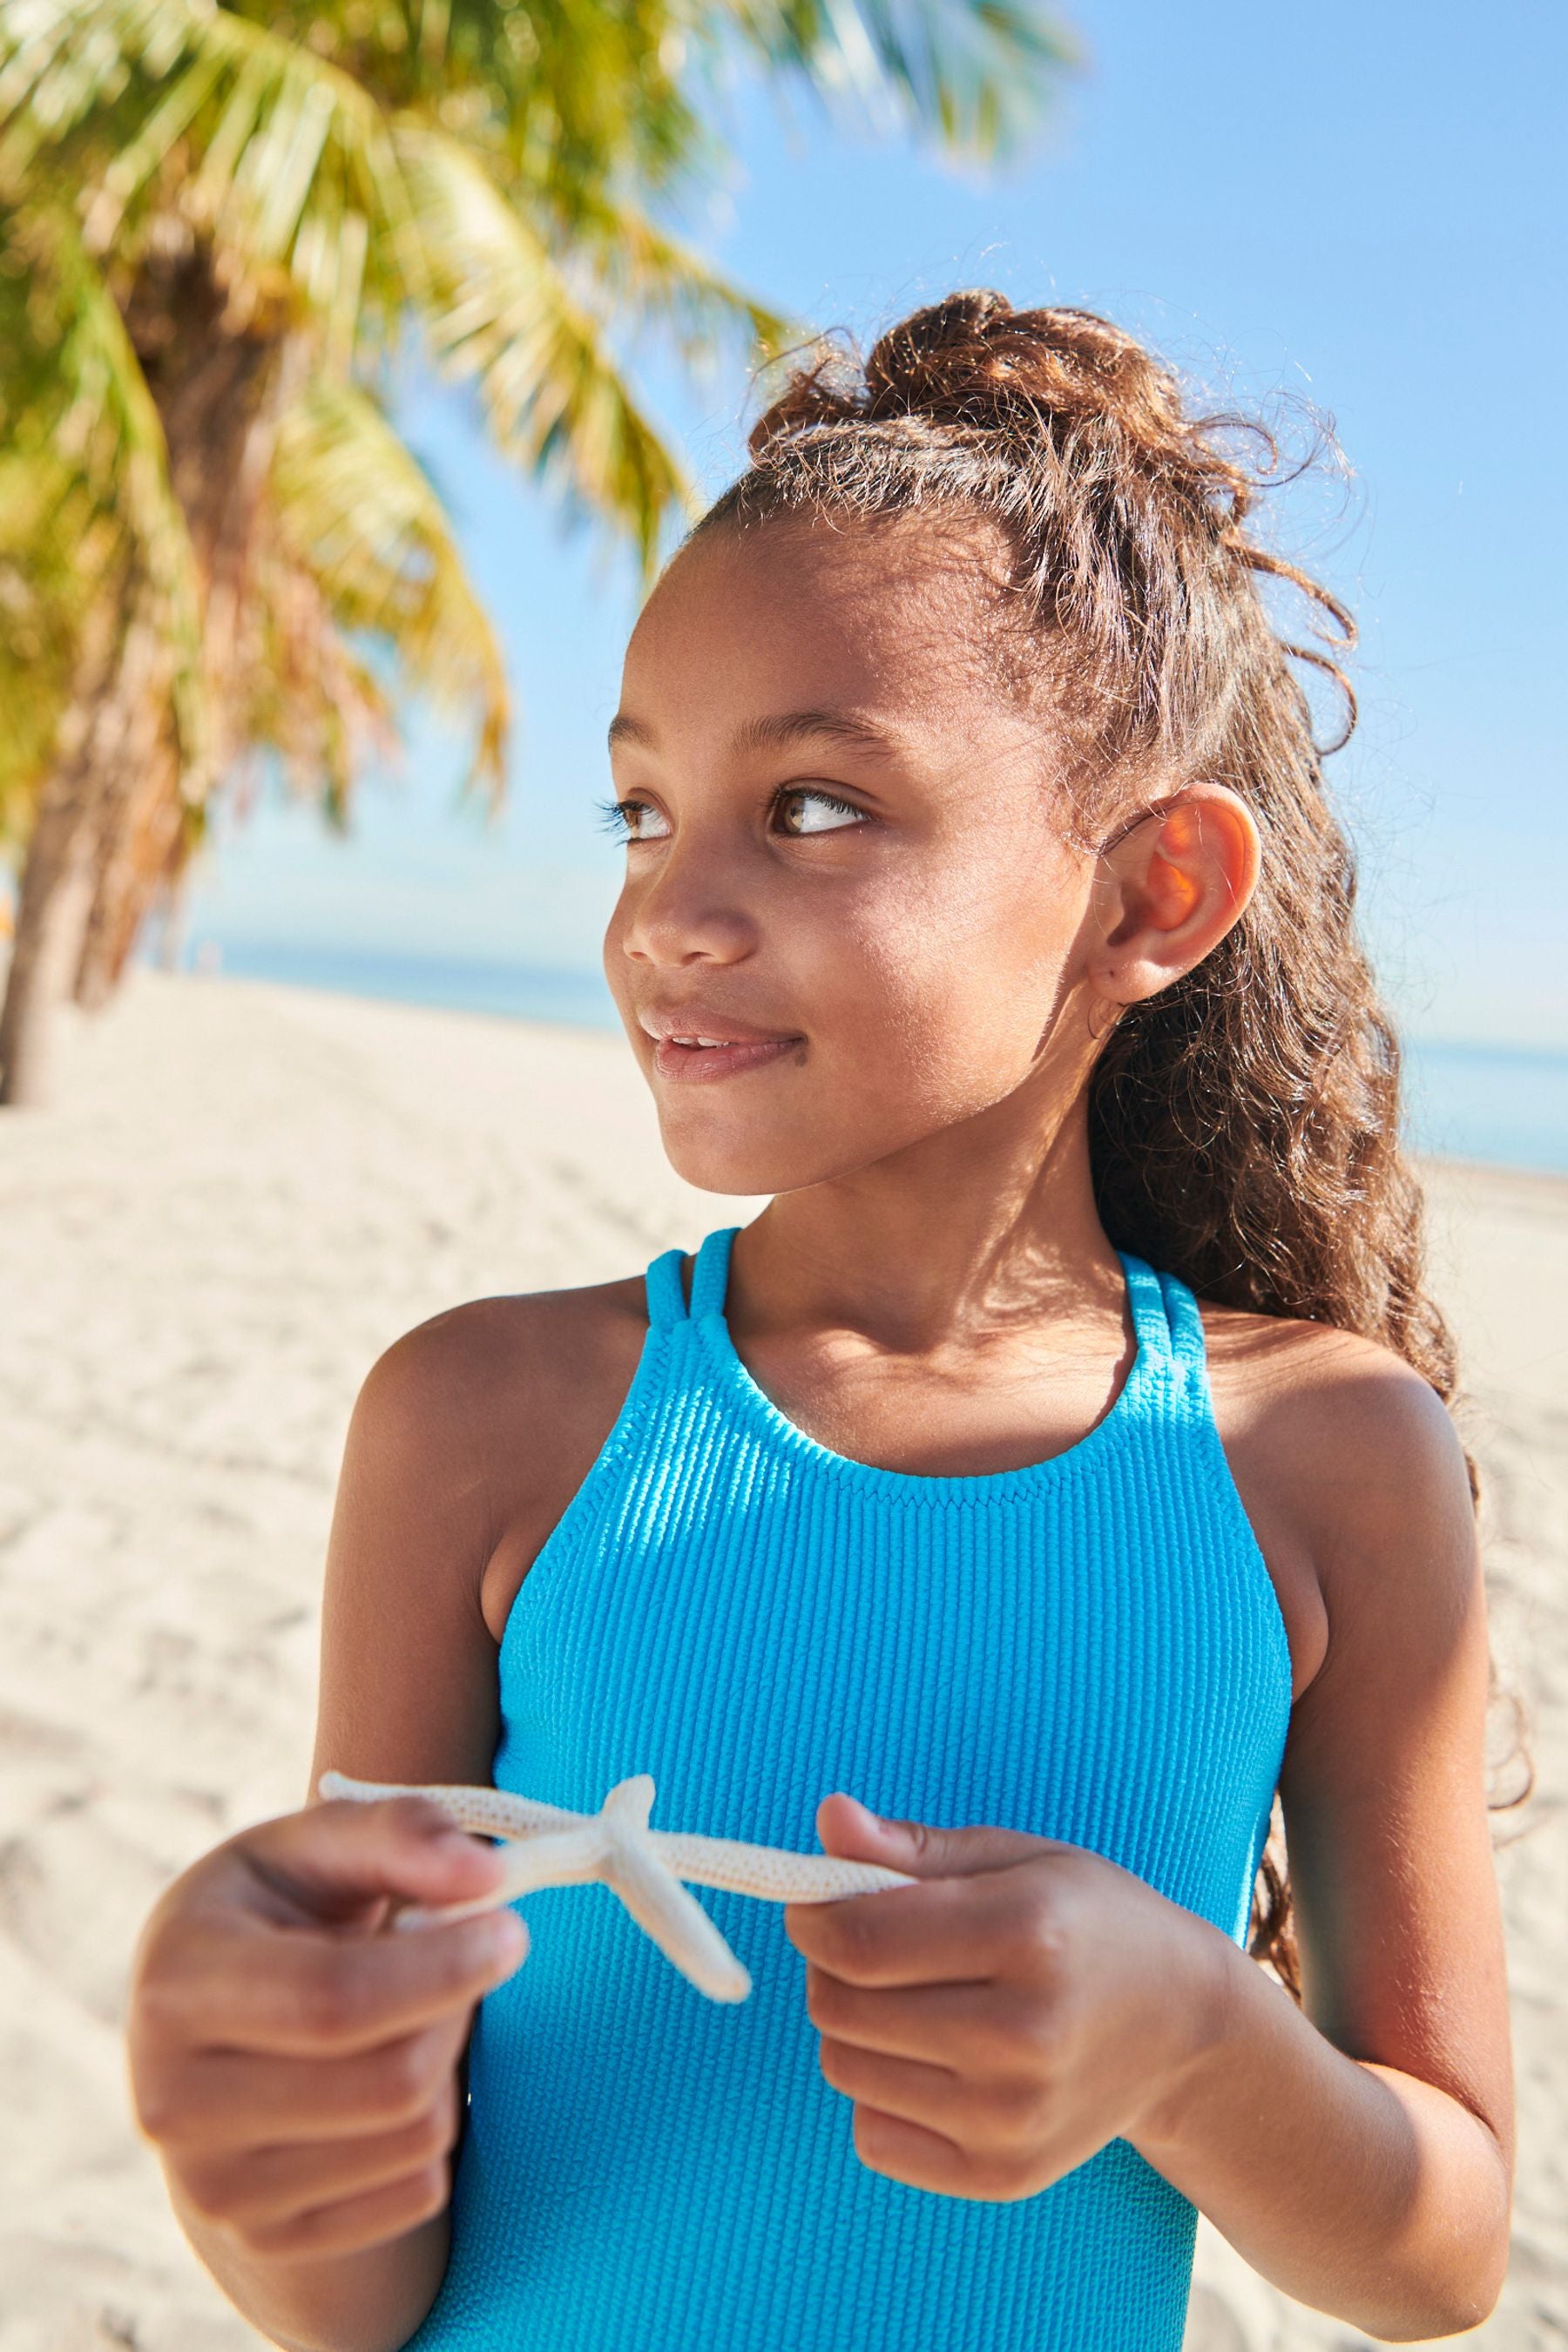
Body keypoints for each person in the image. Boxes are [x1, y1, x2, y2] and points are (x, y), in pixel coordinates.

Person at [125, 291, 1516, 2352]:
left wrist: (1198, 2052)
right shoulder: (483, 1419)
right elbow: (353, 2296)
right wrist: (248, 2139)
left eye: (811, 809)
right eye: (640, 809)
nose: (663, 908)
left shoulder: (1322, 1453)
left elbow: (1442, 2252)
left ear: (1150, 897)